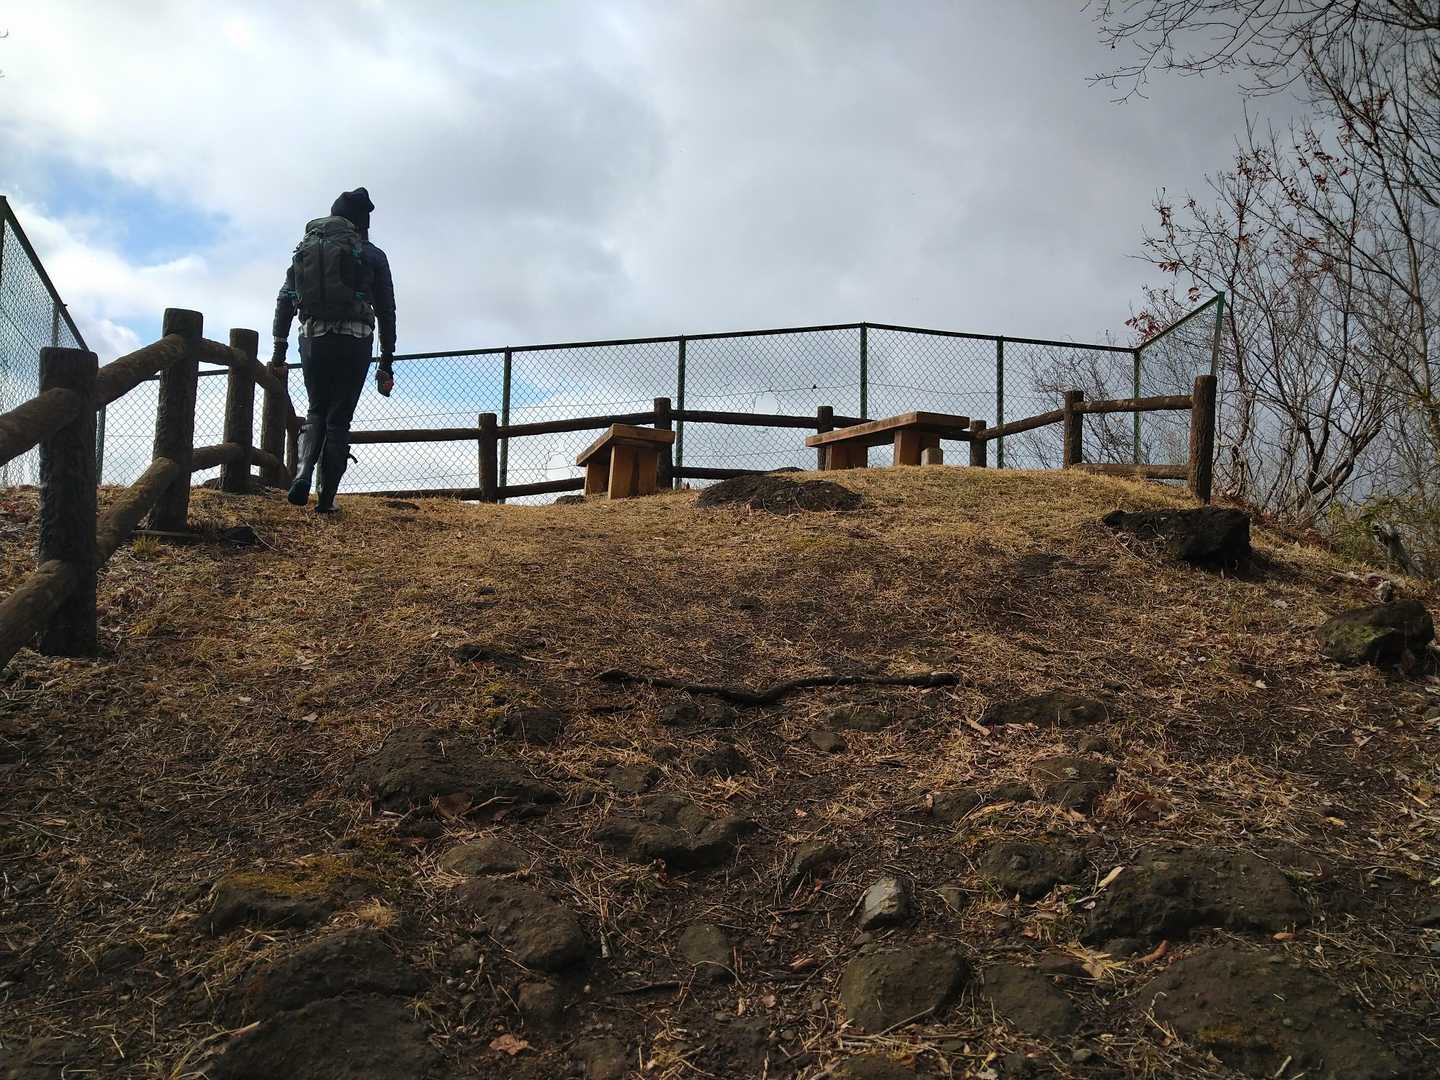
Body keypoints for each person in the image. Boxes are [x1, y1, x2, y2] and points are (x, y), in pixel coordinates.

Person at [272, 187, 396, 512]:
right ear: (363, 223)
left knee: (316, 410)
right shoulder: (373, 255)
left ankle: (302, 474)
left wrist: (279, 350)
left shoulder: (308, 249)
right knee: (339, 420)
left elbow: (285, 299)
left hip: (314, 338)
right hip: (356, 340)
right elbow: (386, 310)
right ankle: (326, 500)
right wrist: (386, 360)